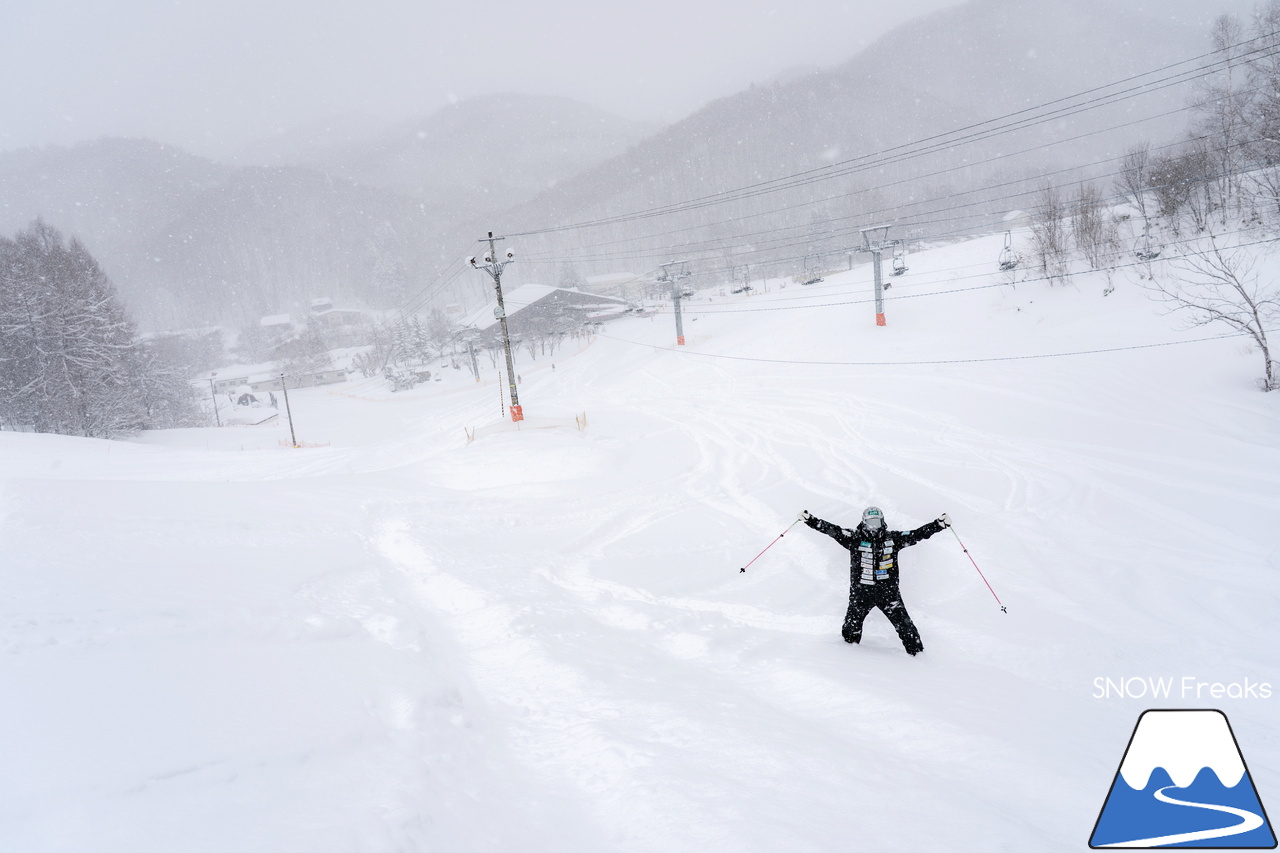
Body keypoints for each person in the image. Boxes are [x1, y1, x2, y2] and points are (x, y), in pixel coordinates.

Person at [799, 506, 950, 656]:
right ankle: (846, 657)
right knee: (851, 630)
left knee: (906, 628)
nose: (873, 527)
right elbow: (832, 530)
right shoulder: (854, 538)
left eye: (877, 523)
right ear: (864, 523)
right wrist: (811, 520)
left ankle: (919, 658)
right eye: (870, 523)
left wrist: (938, 524)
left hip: (889, 595)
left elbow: (916, 534)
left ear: (883, 522)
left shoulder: (893, 539)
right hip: (861, 594)